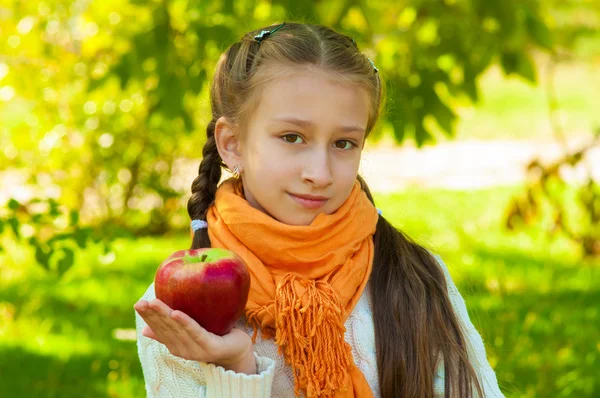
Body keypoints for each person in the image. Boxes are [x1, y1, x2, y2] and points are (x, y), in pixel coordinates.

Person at [133, 21, 504, 398]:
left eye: (344, 143)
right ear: (232, 144)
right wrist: (235, 369)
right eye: (292, 137)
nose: (320, 173)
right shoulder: (179, 308)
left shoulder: (416, 279)